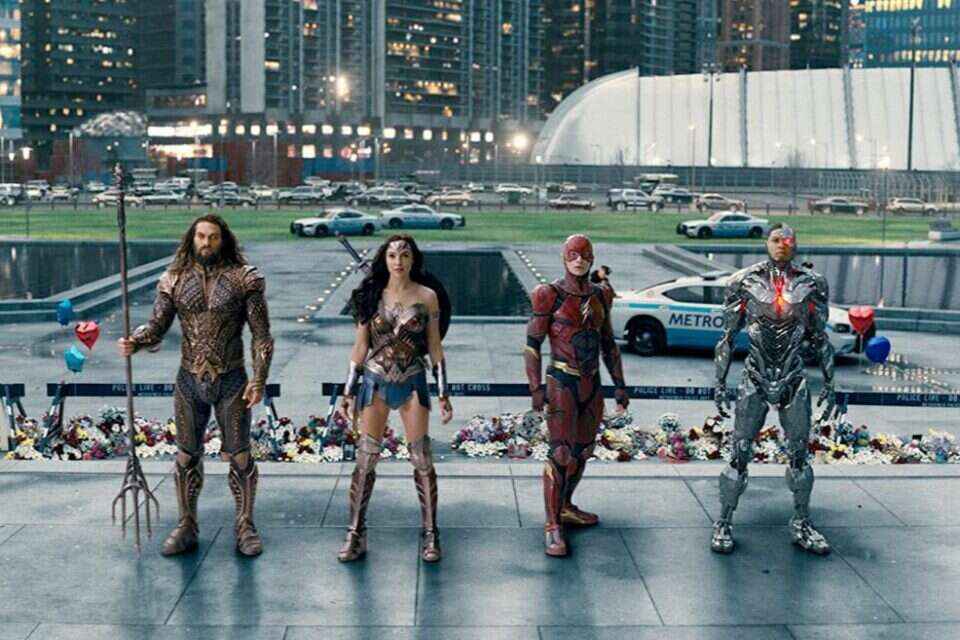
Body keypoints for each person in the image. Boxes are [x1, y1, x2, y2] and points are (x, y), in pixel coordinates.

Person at [117, 214, 274, 557]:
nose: (206, 243)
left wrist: (259, 379)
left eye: (213, 237)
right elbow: (157, 325)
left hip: (231, 378)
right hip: (189, 378)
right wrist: (136, 340)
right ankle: (186, 524)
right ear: (192, 239)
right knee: (186, 454)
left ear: (223, 239)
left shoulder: (244, 279)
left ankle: (245, 525)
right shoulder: (173, 280)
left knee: (240, 454)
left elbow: (261, 336)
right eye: (201, 236)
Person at [711, 223, 838, 555]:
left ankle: (801, 522)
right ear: (766, 242)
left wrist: (830, 382)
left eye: (788, 240)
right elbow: (727, 337)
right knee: (740, 452)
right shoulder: (743, 282)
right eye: (776, 239)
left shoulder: (812, 283)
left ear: (796, 244)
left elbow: (820, 338)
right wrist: (719, 382)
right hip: (755, 374)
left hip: (793, 376)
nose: (782, 244)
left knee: (799, 454)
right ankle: (724, 521)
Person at [338, 234, 453, 563]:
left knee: (421, 457)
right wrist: (348, 391)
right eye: (392, 255)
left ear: (413, 259)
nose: (398, 261)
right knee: (366, 458)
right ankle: (355, 532)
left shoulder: (427, 296)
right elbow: (360, 346)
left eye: (404, 254)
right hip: (374, 382)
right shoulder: (370, 294)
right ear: (384, 259)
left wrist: (443, 393)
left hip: (412, 381)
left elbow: (435, 347)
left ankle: (431, 533)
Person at [525, 234, 629, 557]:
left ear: (592, 258)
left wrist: (620, 384)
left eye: (584, 254)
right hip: (562, 380)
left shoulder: (601, 295)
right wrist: (536, 388)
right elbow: (532, 344)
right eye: (573, 254)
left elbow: (608, 343)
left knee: (583, 450)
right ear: (564, 257)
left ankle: (565, 506)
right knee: (560, 453)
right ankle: (552, 524)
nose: (579, 260)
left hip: (591, 381)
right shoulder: (548, 295)